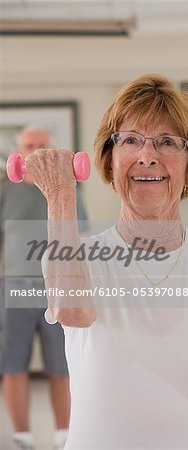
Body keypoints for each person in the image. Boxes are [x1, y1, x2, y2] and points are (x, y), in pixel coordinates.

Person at [25, 74, 188, 449]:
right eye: (130, 140)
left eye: (167, 142)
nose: (148, 155)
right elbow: (74, 311)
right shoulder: (72, 254)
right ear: (109, 161)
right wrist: (60, 194)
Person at [0, 125, 88, 450]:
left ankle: (64, 436)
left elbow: (83, 237)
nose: (36, 151)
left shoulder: (70, 190)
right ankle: (22, 438)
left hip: (57, 288)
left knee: (61, 365)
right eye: (29, 145)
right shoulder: (5, 192)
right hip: (13, 287)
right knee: (13, 364)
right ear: (18, 153)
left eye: (42, 145)